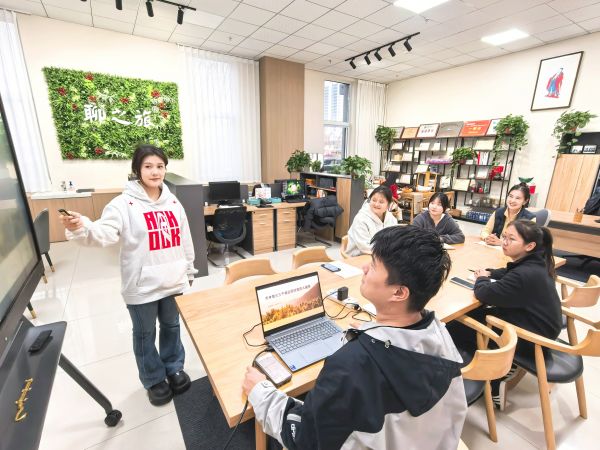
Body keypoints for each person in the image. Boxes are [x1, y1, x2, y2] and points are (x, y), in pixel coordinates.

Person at [242, 226, 467, 449]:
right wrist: (373, 332)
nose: (364, 267)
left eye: (374, 265)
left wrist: (260, 392)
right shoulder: (441, 335)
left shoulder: (348, 368)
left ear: (399, 292)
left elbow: (305, 439)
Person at [59, 144, 197, 406]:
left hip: (173, 280)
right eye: (148, 166)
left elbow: (184, 239)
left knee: (172, 327)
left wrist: (189, 268)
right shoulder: (123, 204)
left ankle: (173, 367)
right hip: (141, 285)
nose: (155, 172)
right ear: (137, 170)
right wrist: (81, 227)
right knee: (145, 334)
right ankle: (153, 378)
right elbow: (104, 233)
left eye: (160, 166)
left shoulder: (173, 202)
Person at [448, 219, 562, 410]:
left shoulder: (524, 275)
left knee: (454, 325)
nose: (504, 242)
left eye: (511, 239)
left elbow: (484, 293)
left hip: (532, 339)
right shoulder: (536, 262)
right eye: (504, 237)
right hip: (540, 324)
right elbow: (510, 272)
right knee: (475, 313)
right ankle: (497, 369)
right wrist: (491, 273)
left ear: (529, 246)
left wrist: (482, 278)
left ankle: (490, 379)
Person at [345, 185, 398, 256]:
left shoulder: (391, 219)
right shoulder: (361, 219)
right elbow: (364, 247)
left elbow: (394, 239)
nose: (376, 204)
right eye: (374, 200)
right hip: (358, 256)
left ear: (388, 205)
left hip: (381, 254)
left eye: (381, 202)